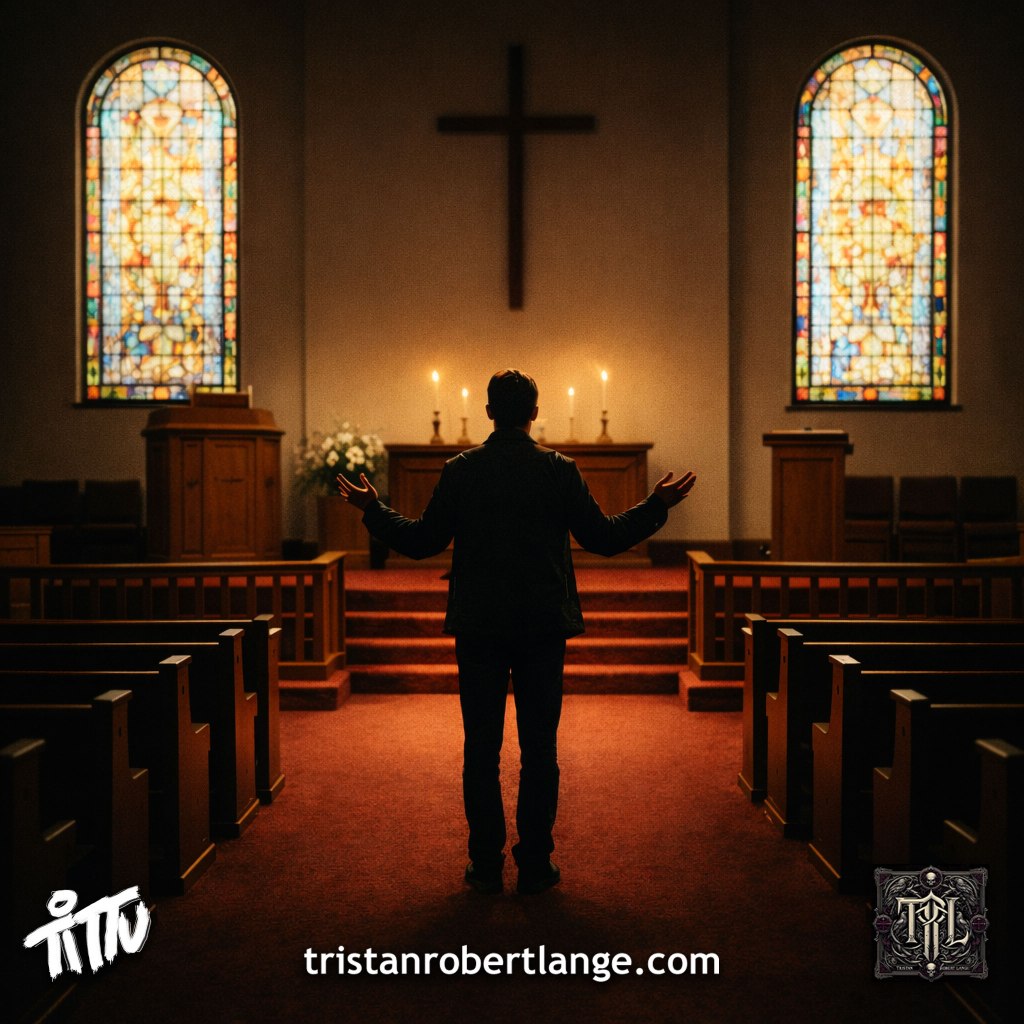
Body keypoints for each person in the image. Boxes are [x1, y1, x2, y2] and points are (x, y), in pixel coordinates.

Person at [337, 369, 695, 895]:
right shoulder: (558, 469)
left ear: (488, 413)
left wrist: (371, 508)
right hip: (541, 624)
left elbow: (421, 542)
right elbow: (603, 538)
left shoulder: (462, 469)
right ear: (534, 413)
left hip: (479, 624)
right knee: (539, 749)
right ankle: (535, 863)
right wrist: (657, 505)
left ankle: (485, 864)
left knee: (481, 748)